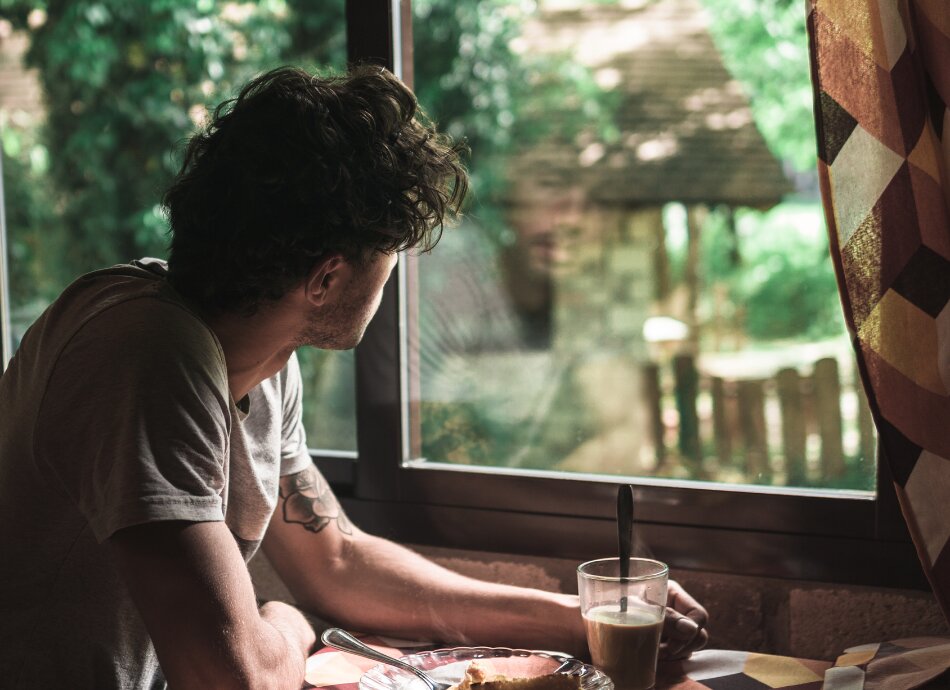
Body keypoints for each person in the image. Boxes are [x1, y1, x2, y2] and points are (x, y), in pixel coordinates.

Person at [0, 65, 708, 690]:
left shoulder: (260, 358)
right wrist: (288, 621)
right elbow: (234, 676)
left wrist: (575, 619)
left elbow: (334, 559)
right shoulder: (149, 353)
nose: (394, 275)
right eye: (389, 252)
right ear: (328, 276)